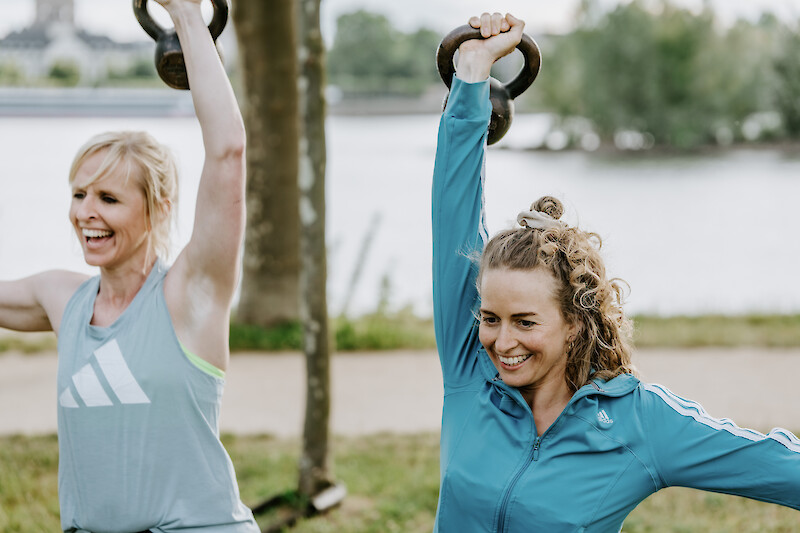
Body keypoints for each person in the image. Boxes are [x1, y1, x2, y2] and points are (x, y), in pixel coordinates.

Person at [431, 12, 800, 532]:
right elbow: (453, 213)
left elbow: (781, 467)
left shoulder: (636, 424)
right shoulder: (471, 370)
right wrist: (470, 72)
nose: (501, 340)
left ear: (576, 322)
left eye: (526, 321)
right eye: (491, 317)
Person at [0, 1, 259, 531]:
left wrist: (187, 15)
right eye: (79, 194)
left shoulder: (191, 295)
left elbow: (229, 150)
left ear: (157, 208)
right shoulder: (62, 300)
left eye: (109, 199)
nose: (86, 212)